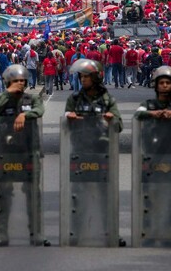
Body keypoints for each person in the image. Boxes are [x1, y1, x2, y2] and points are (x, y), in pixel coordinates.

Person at [64, 59, 122, 244]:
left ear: (96, 77)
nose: (83, 79)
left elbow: (119, 125)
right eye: (81, 76)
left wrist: (111, 119)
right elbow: (65, 123)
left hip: (101, 150)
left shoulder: (107, 99)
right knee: (78, 194)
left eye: (87, 76)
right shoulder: (74, 99)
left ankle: (110, 232)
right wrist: (69, 117)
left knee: (106, 194)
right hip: (80, 150)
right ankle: (76, 233)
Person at [0, 64, 45, 246]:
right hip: (6, 152)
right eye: (15, 81)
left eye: (22, 80)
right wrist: (8, 93)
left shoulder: (31, 99)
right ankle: (1, 232)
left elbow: (39, 110)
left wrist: (24, 116)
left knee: (32, 192)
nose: (19, 84)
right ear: (8, 82)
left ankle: (35, 232)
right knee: (4, 193)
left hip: (28, 151)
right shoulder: (2, 99)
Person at [134, 66, 171, 247]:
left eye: (168, 83)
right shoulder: (148, 104)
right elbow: (138, 113)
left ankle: (169, 232)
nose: (164, 86)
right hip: (151, 155)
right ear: (156, 86)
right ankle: (149, 232)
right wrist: (154, 114)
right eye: (161, 83)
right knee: (150, 196)